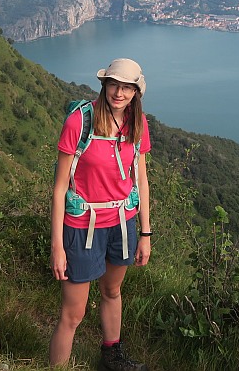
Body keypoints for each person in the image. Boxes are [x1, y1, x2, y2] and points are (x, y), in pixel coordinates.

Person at [50, 58, 152, 370]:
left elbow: (141, 179)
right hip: (82, 226)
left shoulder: (137, 122)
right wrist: (57, 246)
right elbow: (59, 189)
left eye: (127, 87)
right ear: (104, 85)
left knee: (112, 291)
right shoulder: (80, 123)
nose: (119, 93)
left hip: (122, 223)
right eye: (113, 85)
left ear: (136, 92)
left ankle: (112, 357)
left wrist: (145, 233)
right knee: (73, 313)